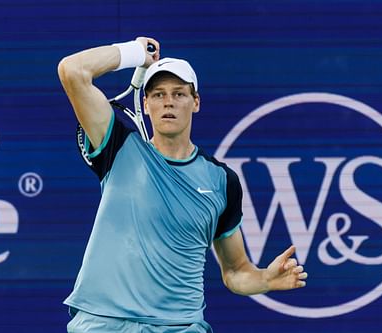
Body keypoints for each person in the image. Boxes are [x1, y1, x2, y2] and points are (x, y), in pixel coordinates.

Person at [57, 37, 308, 333]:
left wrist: (265, 279)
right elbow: (72, 71)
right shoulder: (117, 147)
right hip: (102, 325)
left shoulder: (221, 181)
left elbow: (236, 271)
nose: (169, 102)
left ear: (196, 102)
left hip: (179, 326)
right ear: (146, 104)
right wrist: (135, 52)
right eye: (159, 94)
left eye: (179, 94)